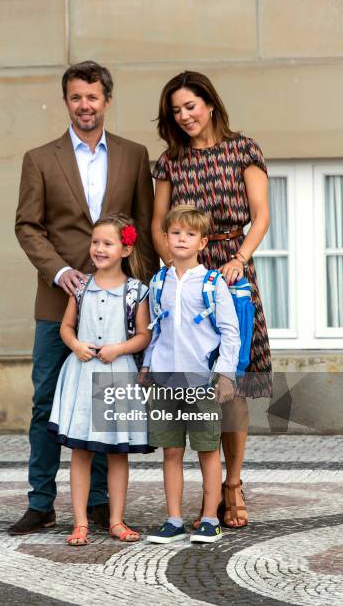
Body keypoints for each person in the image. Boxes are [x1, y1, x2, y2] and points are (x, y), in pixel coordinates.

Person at [10, 60, 159, 535]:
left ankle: (98, 504)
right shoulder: (39, 158)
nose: (85, 105)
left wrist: (143, 300)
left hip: (119, 305)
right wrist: (59, 272)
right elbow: (27, 226)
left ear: (107, 100)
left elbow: (144, 230)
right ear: (66, 101)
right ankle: (41, 501)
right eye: (76, 97)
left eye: (92, 97)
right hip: (59, 305)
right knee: (46, 402)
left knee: (107, 404)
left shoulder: (135, 155)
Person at [151, 71, 271, 529]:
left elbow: (260, 215)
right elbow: (159, 224)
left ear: (210, 104)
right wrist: (177, 270)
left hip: (234, 272)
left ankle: (233, 484)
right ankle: (198, 493)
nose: (184, 116)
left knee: (233, 382)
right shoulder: (169, 161)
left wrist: (239, 258)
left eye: (190, 106)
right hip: (186, 277)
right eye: (176, 111)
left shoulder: (243, 149)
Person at [48, 214, 151, 545]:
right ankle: (79, 522)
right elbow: (66, 326)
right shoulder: (80, 287)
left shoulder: (137, 291)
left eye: (108, 243)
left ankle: (116, 520)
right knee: (81, 452)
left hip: (118, 377)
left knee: (117, 453)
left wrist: (120, 347)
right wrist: (76, 344)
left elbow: (144, 335)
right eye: (95, 242)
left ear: (125, 249)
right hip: (83, 375)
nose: (99, 248)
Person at [143, 206, 240, 544]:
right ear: (166, 239)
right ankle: (173, 520)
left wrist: (225, 375)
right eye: (175, 233)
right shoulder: (158, 282)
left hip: (201, 380)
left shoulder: (212, 283)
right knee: (171, 450)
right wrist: (146, 366)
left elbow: (230, 332)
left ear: (202, 242)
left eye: (190, 234)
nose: (181, 239)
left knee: (207, 449)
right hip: (165, 379)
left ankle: (210, 519)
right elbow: (155, 330)